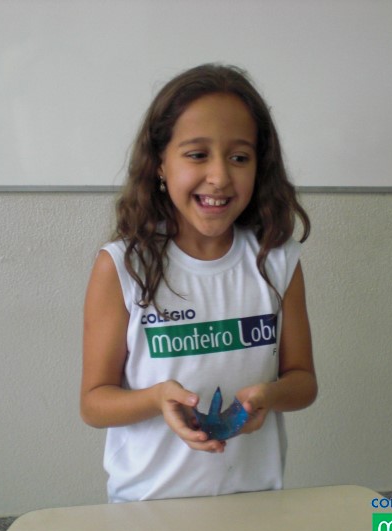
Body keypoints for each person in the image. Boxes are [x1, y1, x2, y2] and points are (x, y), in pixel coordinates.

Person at [81, 63, 317, 503]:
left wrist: (269, 395)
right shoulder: (123, 266)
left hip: (255, 500)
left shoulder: (277, 259)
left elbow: (303, 382)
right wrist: (156, 399)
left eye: (239, 157)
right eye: (196, 155)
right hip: (148, 506)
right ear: (159, 164)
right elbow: (94, 403)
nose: (220, 177)